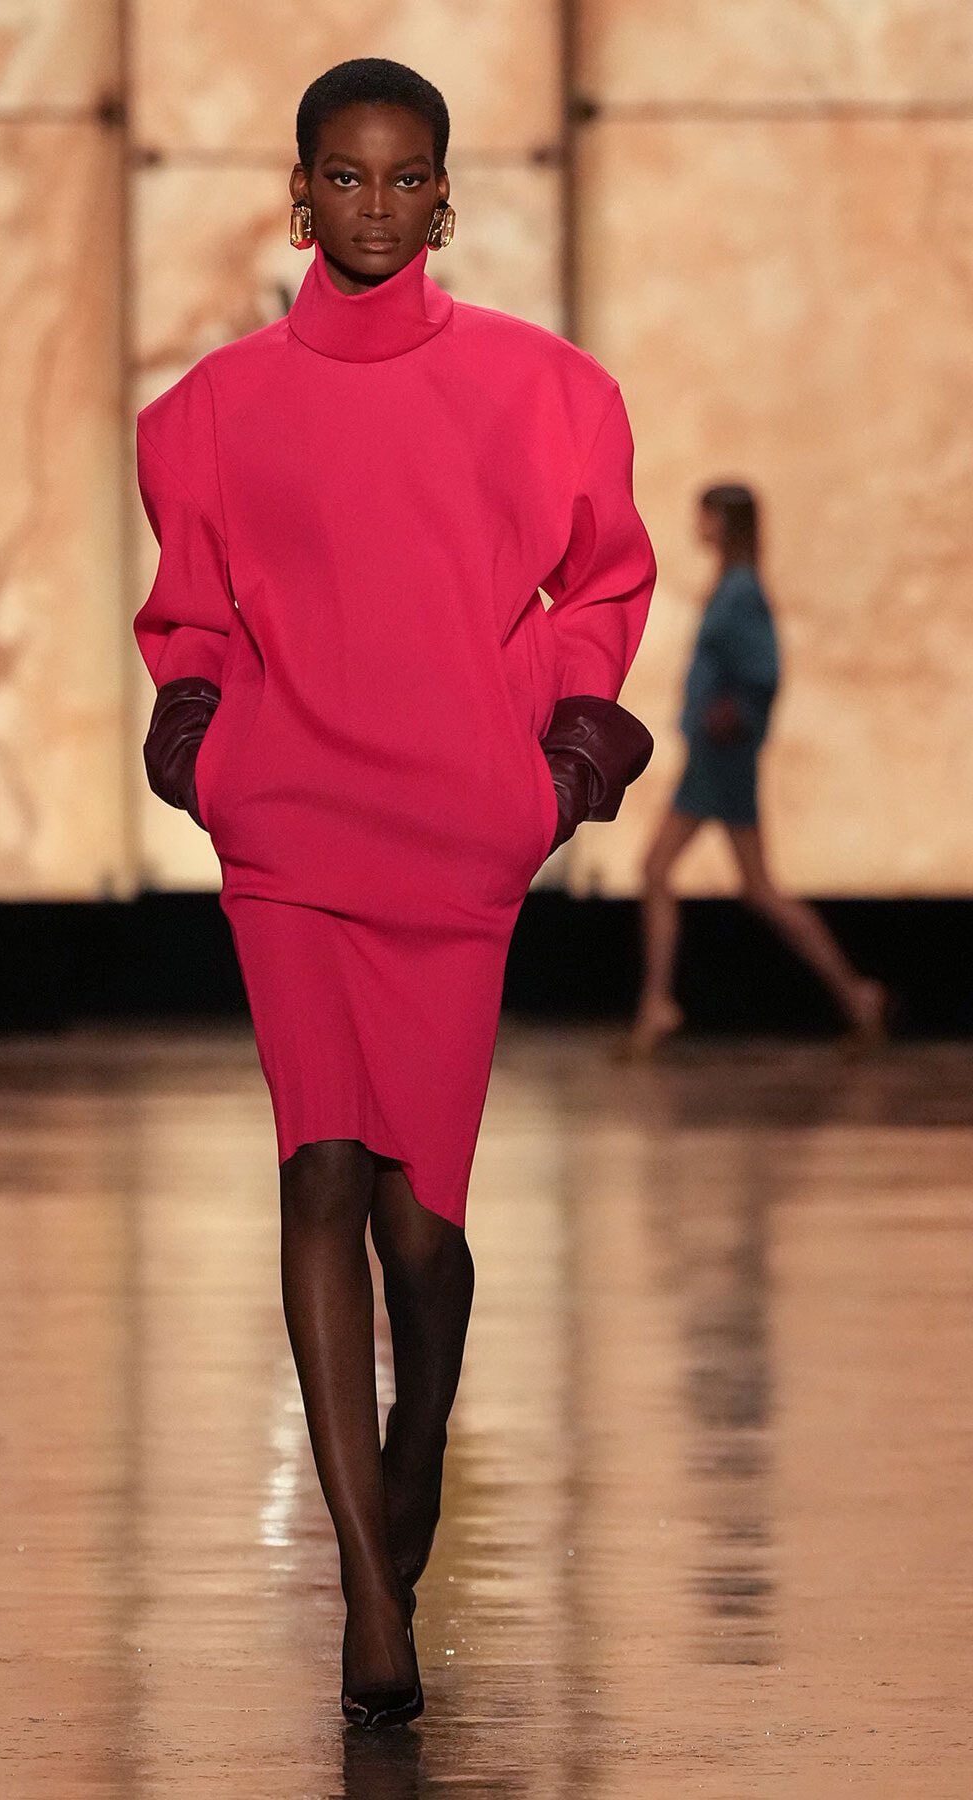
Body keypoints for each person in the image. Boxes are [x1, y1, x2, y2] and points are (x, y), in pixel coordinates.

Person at [135, 59, 656, 1728]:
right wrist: (200, 734)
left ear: (445, 193)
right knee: (321, 1173)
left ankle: (417, 1439)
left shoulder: (549, 391)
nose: (374, 205)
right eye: (344, 179)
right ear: (302, 192)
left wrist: (566, 757)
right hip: (288, 831)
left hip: (451, 836)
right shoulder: (204, 411)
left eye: (405, 177)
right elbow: (192, 614)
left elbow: (607, 578)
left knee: (424, 1227)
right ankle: (371, 1590)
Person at [630, 483, 887, 1056]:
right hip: (714, 756)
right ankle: (854, 996)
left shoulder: (741, 590)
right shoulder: (732, 583)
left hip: (722, 759)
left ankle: (658, 1004)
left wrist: (734, 713)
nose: (698, 522)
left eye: (706, 514)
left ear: (725, 521)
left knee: (674, 873)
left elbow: (764, 671)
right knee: (747, 886)